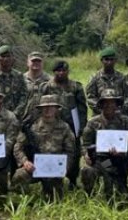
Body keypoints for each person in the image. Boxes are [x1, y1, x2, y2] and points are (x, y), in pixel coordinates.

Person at [26, 60, 87, 189]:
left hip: (71, 124)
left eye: (64, 70)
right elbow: (39, 106)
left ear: (68, 71)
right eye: (58, 71)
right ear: (54, 72)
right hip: (51, 124)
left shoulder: (76, 86)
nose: (61, 73)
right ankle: (48, 175)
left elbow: (82, 108)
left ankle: (72, 180)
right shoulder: (46, 86)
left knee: (74, 152)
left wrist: (81, 127)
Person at [12, 94, 76, 201]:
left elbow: (70, 151)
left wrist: (64, 168)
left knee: (54, 200)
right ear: (40, 109)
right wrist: (25, 162)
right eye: (45, 107)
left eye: (51, 107)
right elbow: (18, 147)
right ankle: (23, 200)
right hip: (34, 167)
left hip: (54, 169)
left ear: (56, 109)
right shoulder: (32, 127)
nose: (48, 109)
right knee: (19, 175)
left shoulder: (64, 127)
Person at [80, 89, 128, 196]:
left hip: (119, 160)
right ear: (101, 105)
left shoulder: (125, 121)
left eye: (112, 102)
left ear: (117, 104)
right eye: (105, 102)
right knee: (87, 170)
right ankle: (89, 195)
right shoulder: (93, 122)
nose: (109, 105)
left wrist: (122, 152)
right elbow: (85, 143)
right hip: (99, 159)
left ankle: (119, 186)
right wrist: (86, 154)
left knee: (118, 193)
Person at [0, 45, 29, 118]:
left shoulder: (18, 76)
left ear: (13, 58)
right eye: (3, 56)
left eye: (8, 56)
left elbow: (24, 96)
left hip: (15, 117)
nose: (6, 59)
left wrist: (15, 113)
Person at [85, 46, 128, 115]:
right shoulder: (94, 77)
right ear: (102, 60)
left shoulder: (122, 77)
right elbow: (90, 98)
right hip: (100, 116)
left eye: (111, 59)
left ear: (115, 60)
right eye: (106, 59)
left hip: (118, 114)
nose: (109, 62)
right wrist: (102, 110)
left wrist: (122, 109)